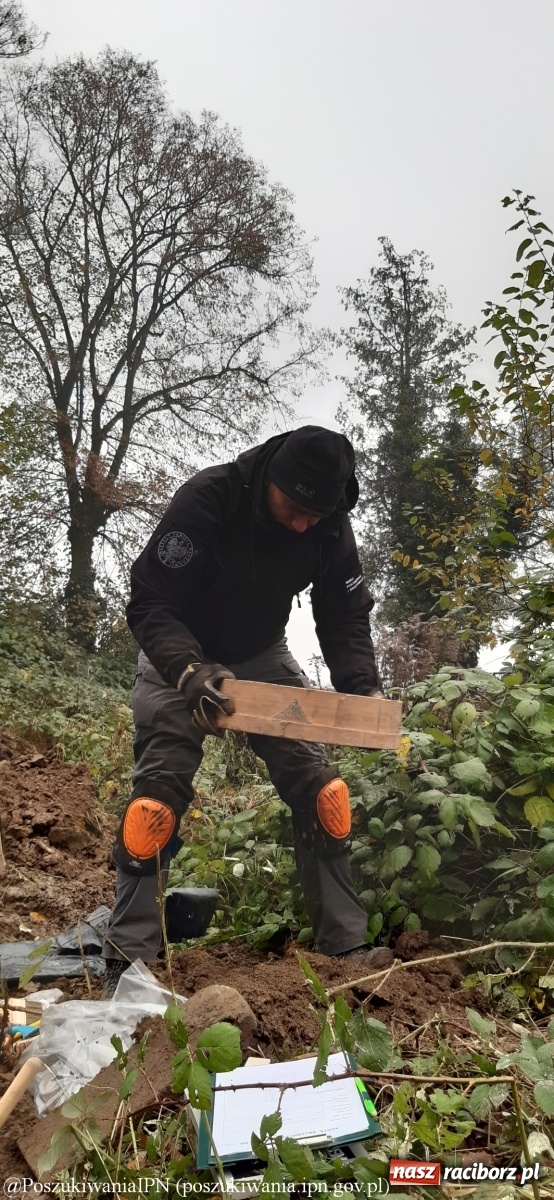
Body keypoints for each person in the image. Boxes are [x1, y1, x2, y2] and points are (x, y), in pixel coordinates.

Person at [101, 425, 393, 997]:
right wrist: (188, 670)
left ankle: (346, 944)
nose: (303, 525)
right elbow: (150, 599)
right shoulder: (210, 499)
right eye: (293, 508)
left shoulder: (328, 522)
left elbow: (344, 614)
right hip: (178, 651)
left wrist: (364, 693)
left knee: (324, 792)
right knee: (154, 803)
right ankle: (128, 958)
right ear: (270, 483)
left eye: (316, 514)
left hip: (262, 655)